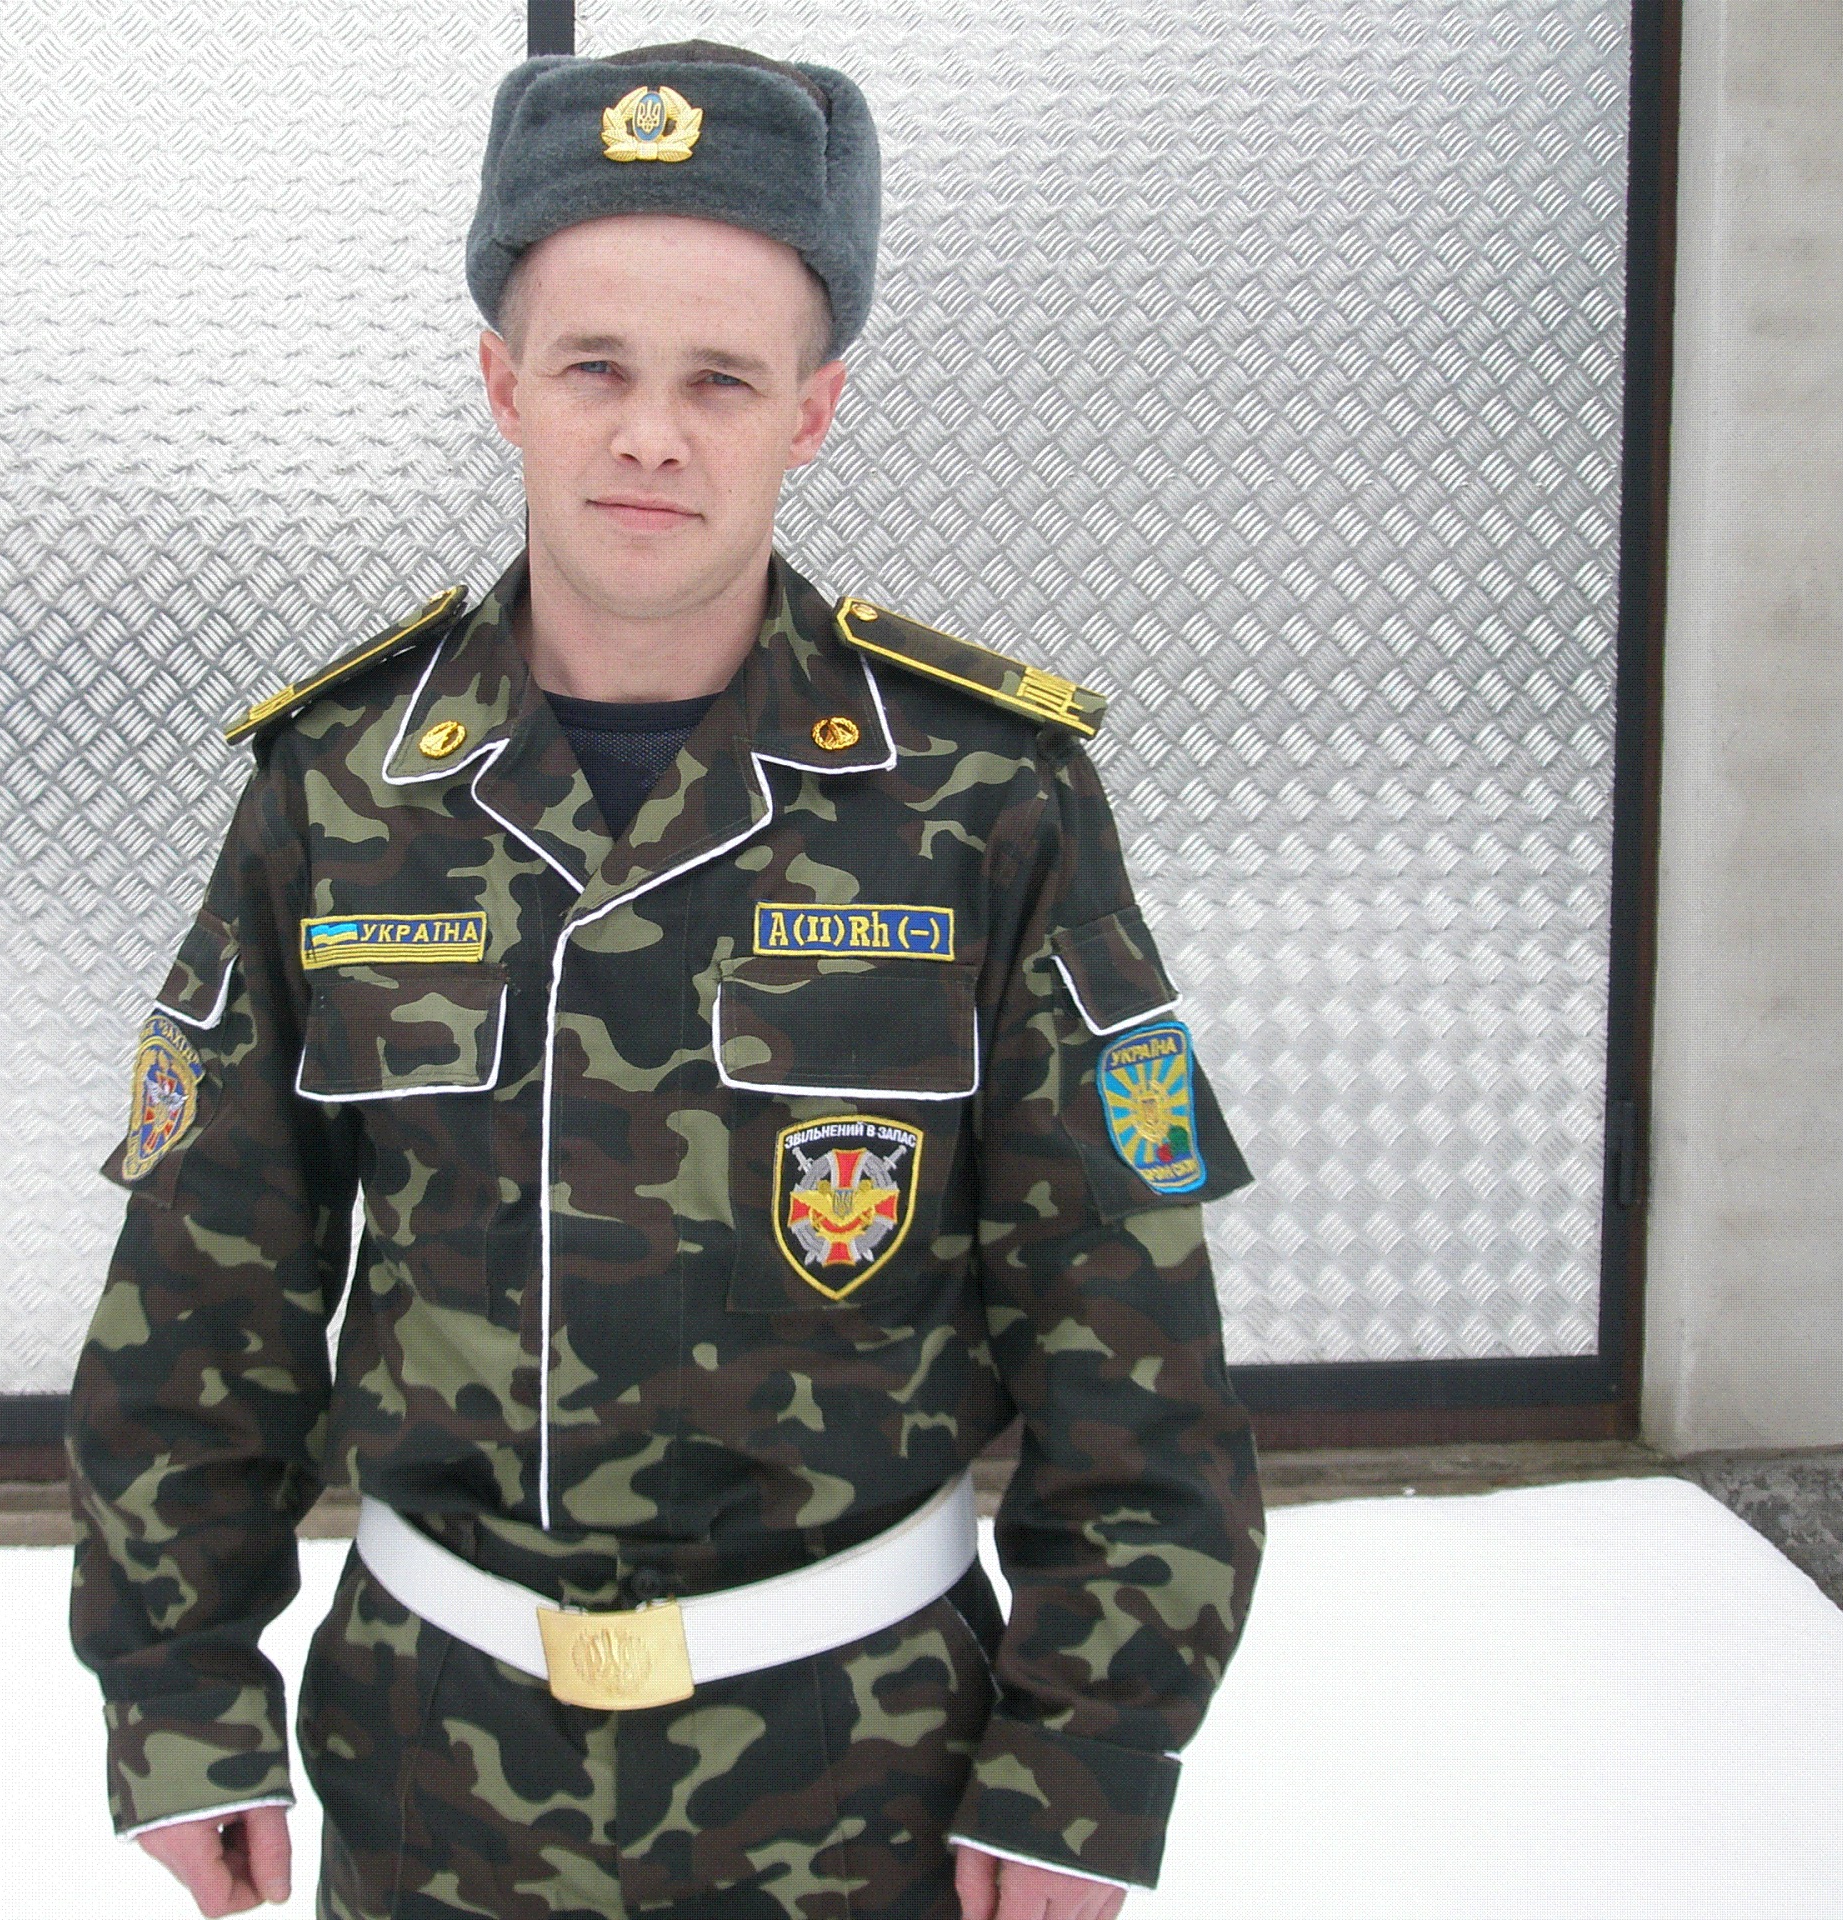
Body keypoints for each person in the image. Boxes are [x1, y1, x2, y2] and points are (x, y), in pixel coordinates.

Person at [68, 40, 1262, 1920]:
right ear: (501, 385)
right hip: (432, 1776)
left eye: (721, 379)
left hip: (868, 1775)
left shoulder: (984, 799)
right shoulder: (343, 790)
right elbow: (204, 1292)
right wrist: (178, 1692)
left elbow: (1128, 1333)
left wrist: (1089, 1761)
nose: (650, 435)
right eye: (594, 369)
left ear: (815, 411)